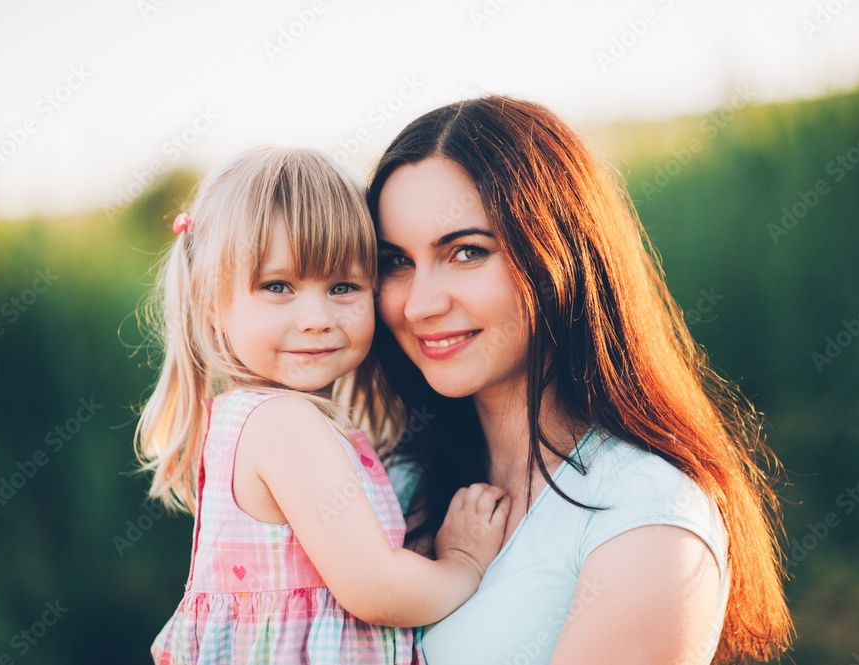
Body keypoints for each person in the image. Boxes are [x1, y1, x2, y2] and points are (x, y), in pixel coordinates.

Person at [358, 97, 795, 664]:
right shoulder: (396, 482)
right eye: (396, 262)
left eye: (467, 252)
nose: (419, 304)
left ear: (558, 254)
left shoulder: (645, 515)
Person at [134, 146, 510, 665]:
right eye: (278, 286)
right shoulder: (284, 424)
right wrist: (463, 564)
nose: (316, 318)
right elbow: (376, 590)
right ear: (210, 302)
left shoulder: (253, 418)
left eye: (343, 286)